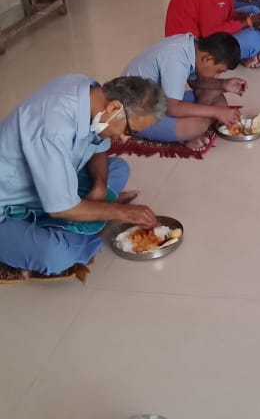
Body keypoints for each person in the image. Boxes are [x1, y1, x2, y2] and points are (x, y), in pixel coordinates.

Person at [0, 74, 166, 277]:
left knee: (118, 168)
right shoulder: (53, 129)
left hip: (39, 186)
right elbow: (62, 208)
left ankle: (83, 215)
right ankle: (59, 233)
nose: (124, 139)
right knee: (56, 256)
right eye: (130, 130)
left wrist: (99, 185)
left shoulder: (89, 92)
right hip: (7, 206)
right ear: (114, 108)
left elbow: (97, 145)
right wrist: (121, 212)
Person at [125, 32, 246, 150]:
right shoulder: (176, 59)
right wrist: (216, 112)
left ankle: (193, 129)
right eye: (218, 71)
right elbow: (173, 108)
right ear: (208, 59)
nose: (216, 76)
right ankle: (191, 133)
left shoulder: (192, 46)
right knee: (197, 126)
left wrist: (223, 84)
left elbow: (194, 81)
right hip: (133, 113)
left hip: (156, 99)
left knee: (216, 94)